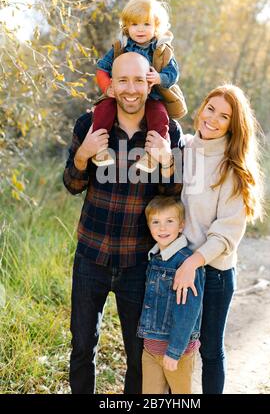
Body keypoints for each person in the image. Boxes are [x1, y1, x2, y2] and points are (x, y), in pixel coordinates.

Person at [63, 52, 184, 394]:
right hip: (91, 256)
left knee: (137, 354)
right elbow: (72, 185)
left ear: (149, 82)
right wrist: (84, 154)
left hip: (138, 262)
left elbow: (172, 197)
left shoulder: (167, 131)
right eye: (123, 81)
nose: (131, 89)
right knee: (83, 346)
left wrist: (167, 163)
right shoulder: (89, 126)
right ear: (112, 85)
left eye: (138, 80)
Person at [173, 84, 264, 394]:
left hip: (213, 274)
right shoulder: (184, 148)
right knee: (175, 347)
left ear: (232, 125)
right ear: (201, 109)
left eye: (223, 116)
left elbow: (226, 233)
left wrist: (193, 263)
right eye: (210, 109)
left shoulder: (233, 170)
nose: (213, 119)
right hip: (177, 266)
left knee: (209, 351)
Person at [92, 0, 187, 172]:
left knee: (159, 118)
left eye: (146, 24)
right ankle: (100, 149)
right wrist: (107, 87)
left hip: (153, 96)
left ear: (156, 26)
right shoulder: (121, 47)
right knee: (103, 109)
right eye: (134, 24)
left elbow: (174, 73)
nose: (140, 29)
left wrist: (159, 77)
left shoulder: (162, 49)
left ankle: (151, 156)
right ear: (126, 27)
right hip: (122, 94)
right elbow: (102, 68)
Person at [137, 195, 204, 394]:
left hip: (177, 351)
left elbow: (188, 312)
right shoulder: (153, 257)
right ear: (149, 226)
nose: (162, 228)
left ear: (181, 226)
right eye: (156, 222)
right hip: (150, 348)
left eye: (169, 221)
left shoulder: (186, 264)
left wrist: (174, 352)